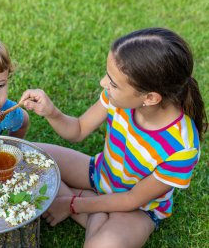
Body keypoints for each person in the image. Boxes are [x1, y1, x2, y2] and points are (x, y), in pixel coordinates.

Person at [20, 27, 207, 248]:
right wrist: (51, 112)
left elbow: (132, 199)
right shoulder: (118, 98)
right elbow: (78, 129)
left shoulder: (182, 147)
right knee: (25, 155)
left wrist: (71, 204)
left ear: (150, 97)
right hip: (100, 173)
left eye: (113, 83)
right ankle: (95, 211)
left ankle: (89, 206)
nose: (103, 83)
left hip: (137, 210)